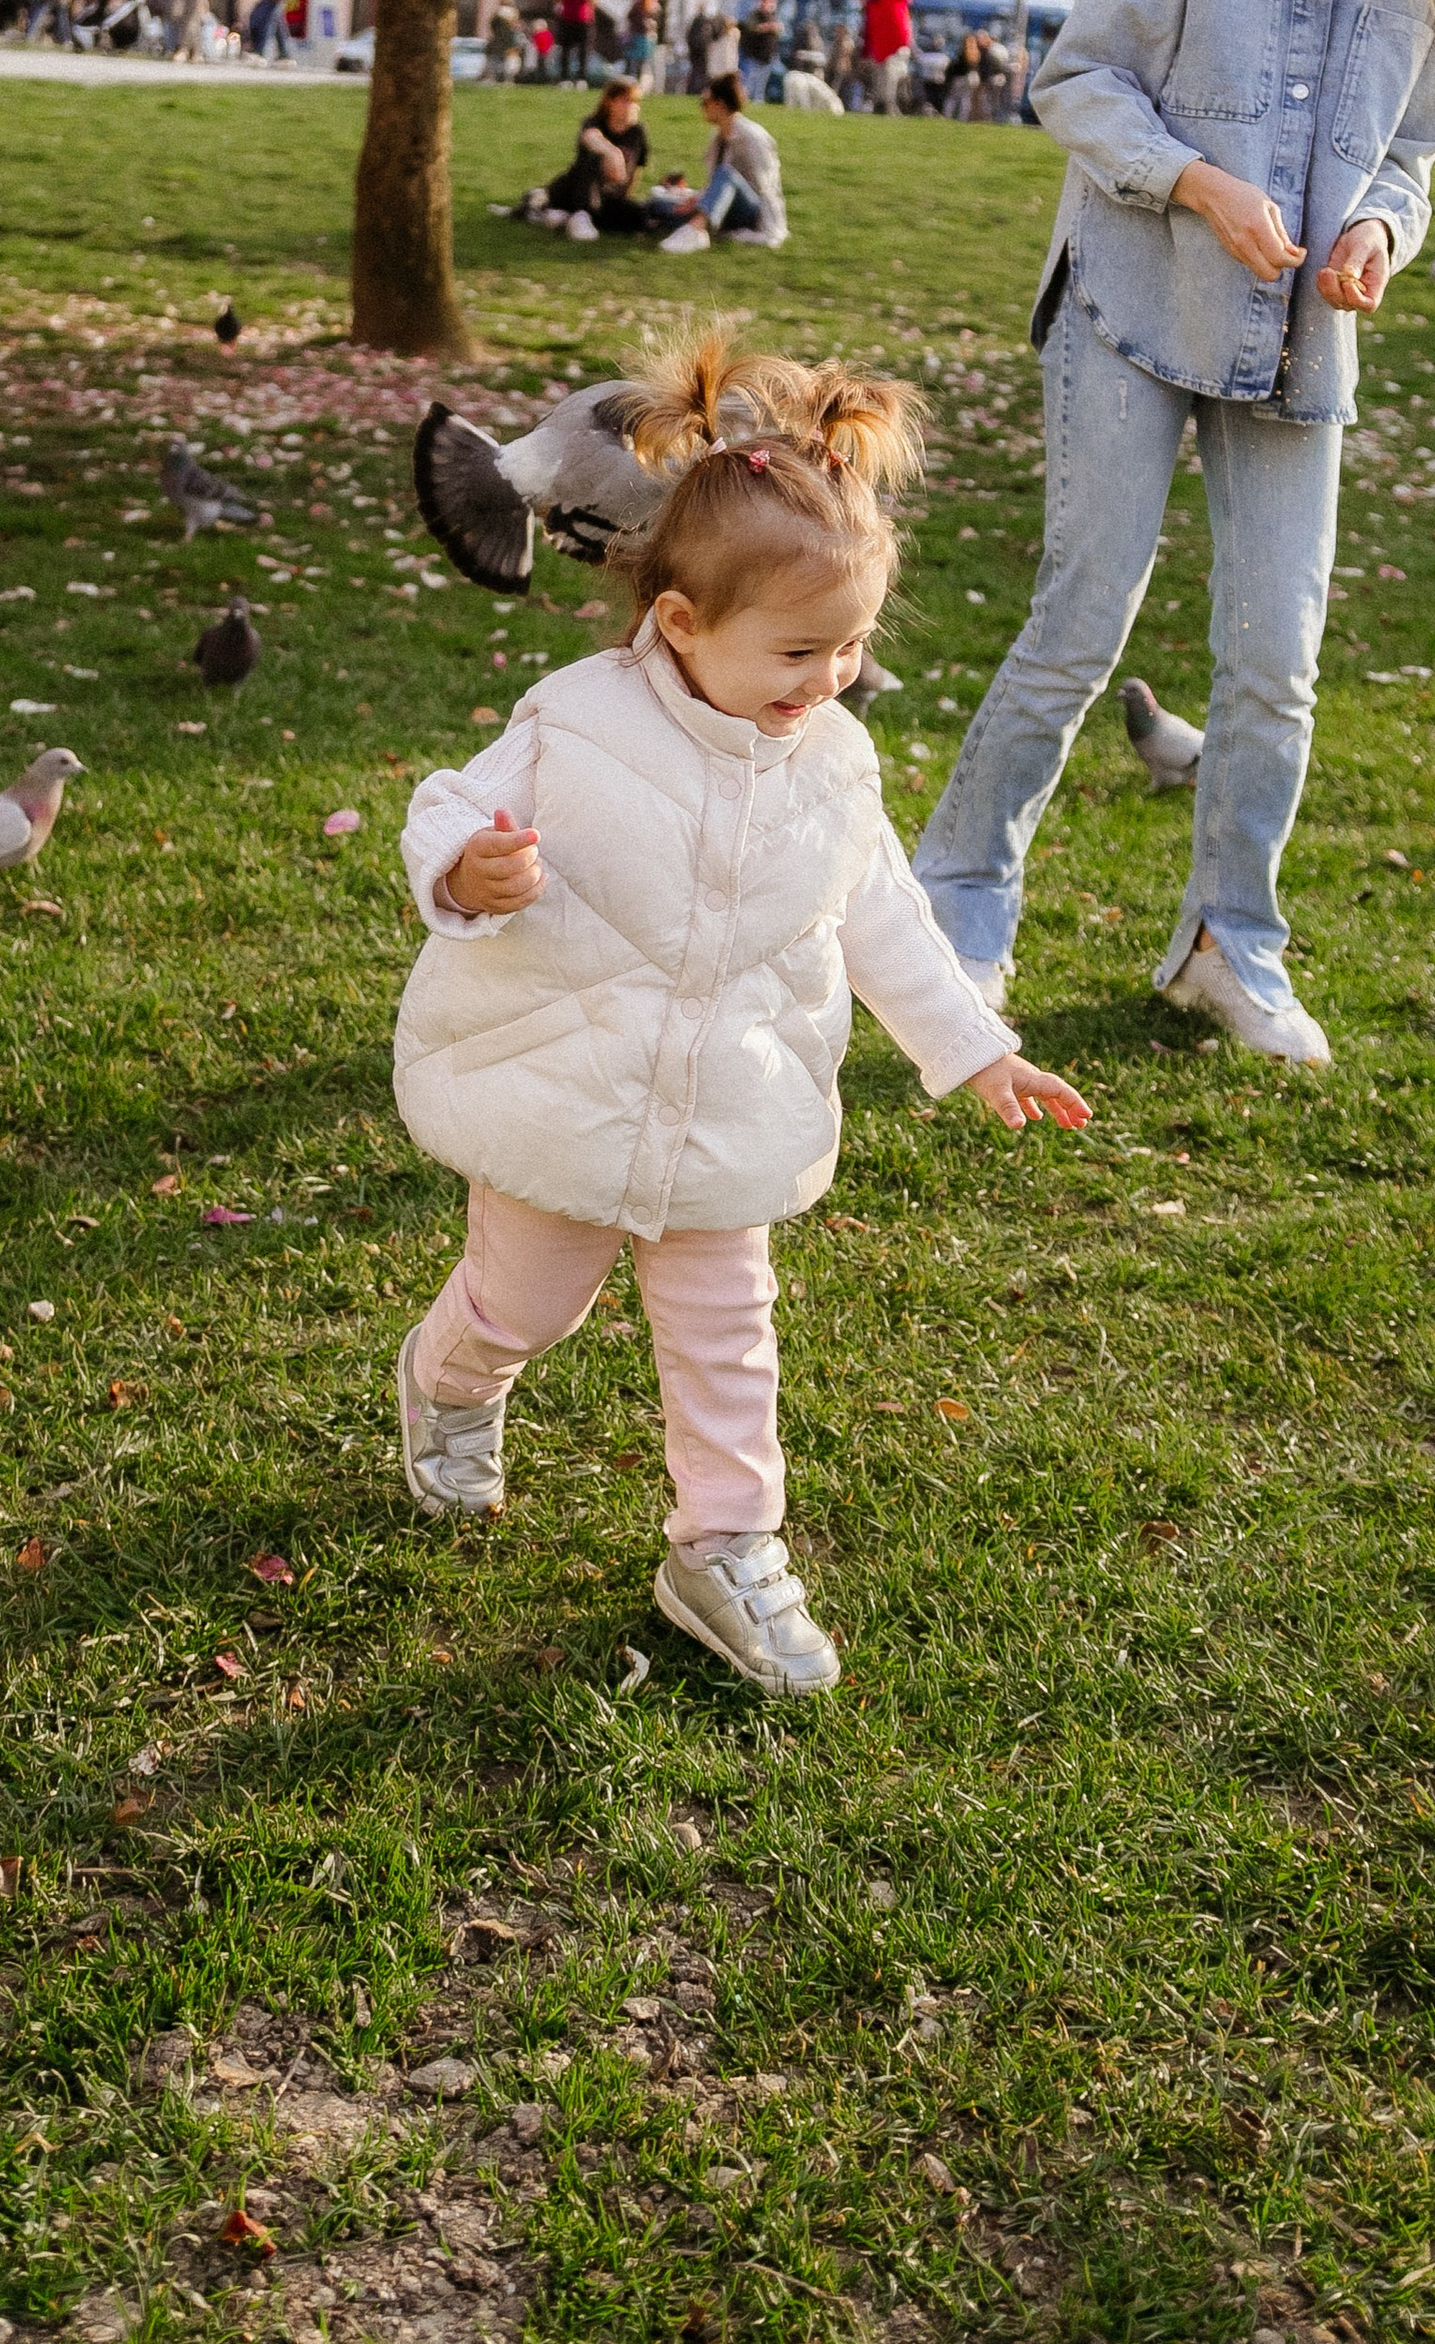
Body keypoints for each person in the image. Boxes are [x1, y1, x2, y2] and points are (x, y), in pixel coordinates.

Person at [388, 330, 1087, 1693]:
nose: (826, 679)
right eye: (798, 649)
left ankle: (725, 1544)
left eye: (851, 646)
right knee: (526, 1305)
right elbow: (451, 803)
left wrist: (974, 1049)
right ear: (682, 623)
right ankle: (454, 1381)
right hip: (567, 1095)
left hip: (729, 1115)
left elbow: (886, 915)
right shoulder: (577, 719)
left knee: (728, 1340)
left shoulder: (832, 760)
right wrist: (467, 867)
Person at [912, 0, 1435, 1070]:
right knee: (1082, 618)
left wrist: (1377, 235)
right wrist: (1200, 185)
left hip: (1303, 333)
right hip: (1132, 290)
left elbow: (1413, 154)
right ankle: (958, 906)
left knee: (1274, 664)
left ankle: (1226, 943)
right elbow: (1083, 79)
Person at [657, 71, 789, 251]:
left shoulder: (753, 138)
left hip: (751, 212)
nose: (702, 108)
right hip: (723, 206)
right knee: (657, 205)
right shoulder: (717, 137)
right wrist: (697, 199)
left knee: (726, 173)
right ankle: (692, 226)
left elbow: (767, 189)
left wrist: (770, 231)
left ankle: (695, 231)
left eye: (705, 103)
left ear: (719, 105)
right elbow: (716, 186)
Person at [524, 80, 653, 240]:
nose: (633, 107)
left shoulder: (637, 132)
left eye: (635, 102)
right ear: (610, 103)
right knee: (594, 158)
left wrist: (624, 197)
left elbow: (636, 170)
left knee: (641, 215)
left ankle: (566, 217)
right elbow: (591, 137)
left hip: (608, 198)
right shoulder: (594, 123)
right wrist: (613, 153)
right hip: (581, 190)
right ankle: (578, 215)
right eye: (626, 101)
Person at [551, 0, 598, 82]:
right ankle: (564, 78)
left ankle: (581, 78)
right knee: (565, 50)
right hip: (567, 18)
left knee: (584, 51)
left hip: (585, 20)